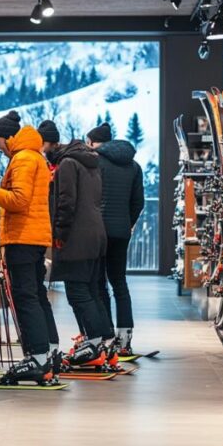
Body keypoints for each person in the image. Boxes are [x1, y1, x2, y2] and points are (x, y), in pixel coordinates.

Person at [0, 110, 59, 383]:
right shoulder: (34, 156)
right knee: (35, 295)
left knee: (24, 297)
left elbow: (19, 200)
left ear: (8, 138)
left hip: (23, 237)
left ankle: (37, 358)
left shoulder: (23, 159)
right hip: (33, 236)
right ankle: (44, 354)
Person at [45, 138, 112, 369]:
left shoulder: (68, 164)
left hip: (76, 237)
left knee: (78, 293)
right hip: (96, 234)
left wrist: (59, 234)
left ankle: (93, 344)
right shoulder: (90, 163)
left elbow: (66, 202)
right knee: (92, 290)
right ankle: (103, 343)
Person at [87, 123, 144, 356]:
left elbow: (90, 198)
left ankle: (105, 335)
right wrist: (127, 223)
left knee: (98, 283)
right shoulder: (134, 165)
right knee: (119, 282)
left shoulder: (95, 163)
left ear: (93, 143)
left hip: (97, 231)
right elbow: (138, 202)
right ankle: (125, 339)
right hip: (121, 232)